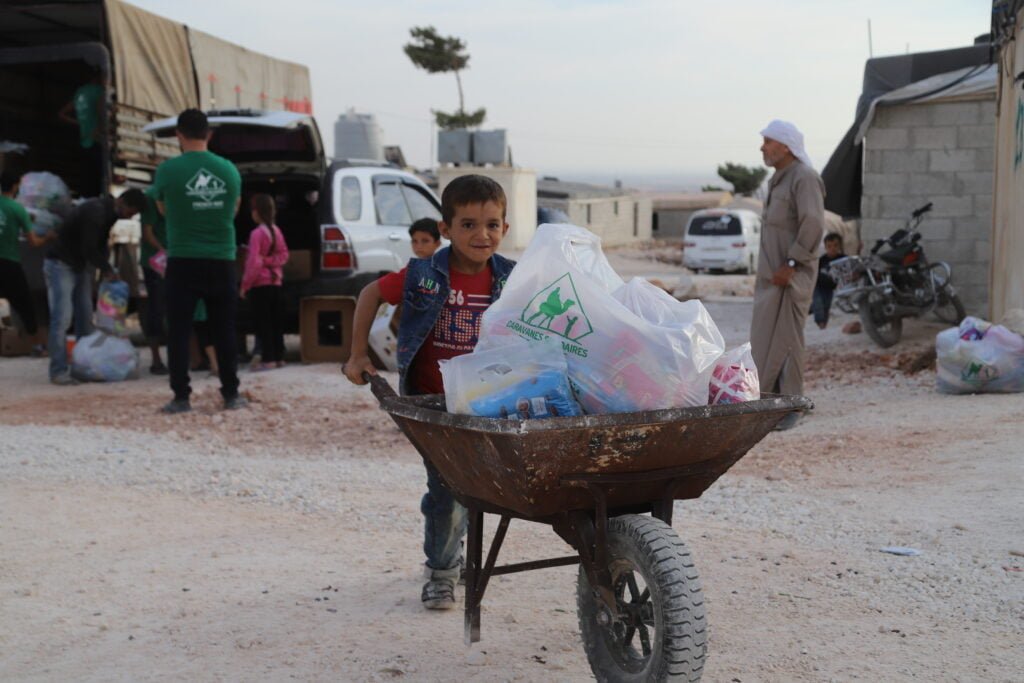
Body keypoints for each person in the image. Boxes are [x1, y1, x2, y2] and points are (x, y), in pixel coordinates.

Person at [344, 175, 515, 610]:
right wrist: (357, 355)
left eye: (492, 225)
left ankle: (456, 551)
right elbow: (369, 294)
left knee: (479, 487)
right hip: (432, 406)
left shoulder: (512, 279)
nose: (483, 235)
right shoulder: (424, 274)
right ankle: (441, 572)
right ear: (445, 229)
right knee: (446, 491)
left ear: (506, 229)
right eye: (469, 224)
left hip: (488, 403)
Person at [152, 108, 244, 414]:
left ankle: (181, 397)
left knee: (179, 331)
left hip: (182, 259)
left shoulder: (167, 171)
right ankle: (231, 394)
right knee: (224, 330)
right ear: (210, 135)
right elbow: (233, 210)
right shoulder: (229, 170)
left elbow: (162, 210)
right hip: (221, 259)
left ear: (179, 135)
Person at [750, 119, 824, 431]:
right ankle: (770, 401)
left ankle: (792, 403)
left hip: (790, 276)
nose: (763, 148)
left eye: (768, 141)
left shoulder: (804, 178)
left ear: (786, 145)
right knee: (767, 339)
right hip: (771, 277)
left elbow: (813, 224)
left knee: (788, 339)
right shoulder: (778, 179)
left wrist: (791, 264)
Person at [43, 189, 146, 384]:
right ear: (122, 202)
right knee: (62, 318)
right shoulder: (96, 211)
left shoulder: (110, 212)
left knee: (85, 316)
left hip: (78, 265)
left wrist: (108, 269)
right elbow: (89, 246)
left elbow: (100, 244)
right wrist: (107, 269)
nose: (129, 217)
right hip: (61, 264)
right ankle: (58, 370)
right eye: (130, 212)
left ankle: (84, 365)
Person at [0, 171, 50, 353]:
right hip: (9, 262)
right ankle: (37, 345)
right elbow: (34, 242)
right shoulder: (17, 209)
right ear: (15, 187)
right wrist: (49, 237)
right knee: (25, 304)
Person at [240, 194, 289, 371]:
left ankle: (268, 359)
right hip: (276, 282)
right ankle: (279, 357)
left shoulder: (256, 234)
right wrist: (270, 261)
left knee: (263, 323)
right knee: (277, 322)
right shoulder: (277, 231)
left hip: (260, 284)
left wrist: (244, 285)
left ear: (256, 212)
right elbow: (284, 255)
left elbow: (253, 262)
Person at [58, 70, 107, 197]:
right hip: (96, 139)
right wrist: (100, 130)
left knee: (86, 174)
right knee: (98, 176)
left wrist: (80, 122)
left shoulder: (80, 92)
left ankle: (85, 199)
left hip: (84, 139)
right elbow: (102, 113)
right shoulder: (99, 91)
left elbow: (62, 114)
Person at [139, 186, 168, 374]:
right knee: (157, 309)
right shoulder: (152, 197)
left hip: (170, 259)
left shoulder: (170, 192)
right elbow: (147, 233)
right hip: (156, 263)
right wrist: (164, 251)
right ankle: (156, 360)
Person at [812, 233, 845, 330]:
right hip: (818, 285)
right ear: (825, 247)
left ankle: (824, 324)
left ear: (840, 246)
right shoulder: (821, 260)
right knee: (818, 303)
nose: (832, 248)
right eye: (829, 246)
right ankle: (820, 322)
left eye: (835, 245)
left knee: (826, 304)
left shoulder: (843, 259)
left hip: (830, 286)